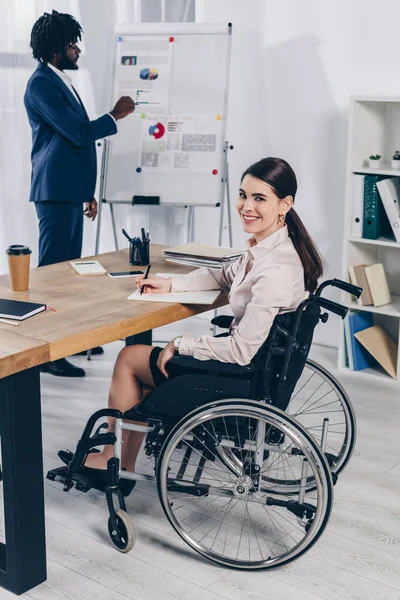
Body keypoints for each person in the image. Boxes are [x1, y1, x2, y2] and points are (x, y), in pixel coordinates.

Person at [85, 157, 323, 472]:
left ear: (285, 205)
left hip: (241, 375)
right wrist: (168, 283)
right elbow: (219, 277)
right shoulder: (266, 250)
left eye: (259, 198)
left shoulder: (274, 269)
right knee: (140, 374)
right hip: (252, 369)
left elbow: (241, 350)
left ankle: (112, 460)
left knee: (130, 358)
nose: (245, 206)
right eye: (243, 195)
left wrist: (182, 343)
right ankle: (121, 463)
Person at [24, 11, 135, 377]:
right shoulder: (41, 84)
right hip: (54, 192)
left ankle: (67, 339)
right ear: (56, 49)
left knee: (68, 271)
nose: (77, 50)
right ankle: (47, 352)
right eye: (72, 44)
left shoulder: (58, 80)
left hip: (68, 191)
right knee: (53, 274)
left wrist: (85, 192)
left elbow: (72, 144)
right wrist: (115, 116)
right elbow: (78, 133)